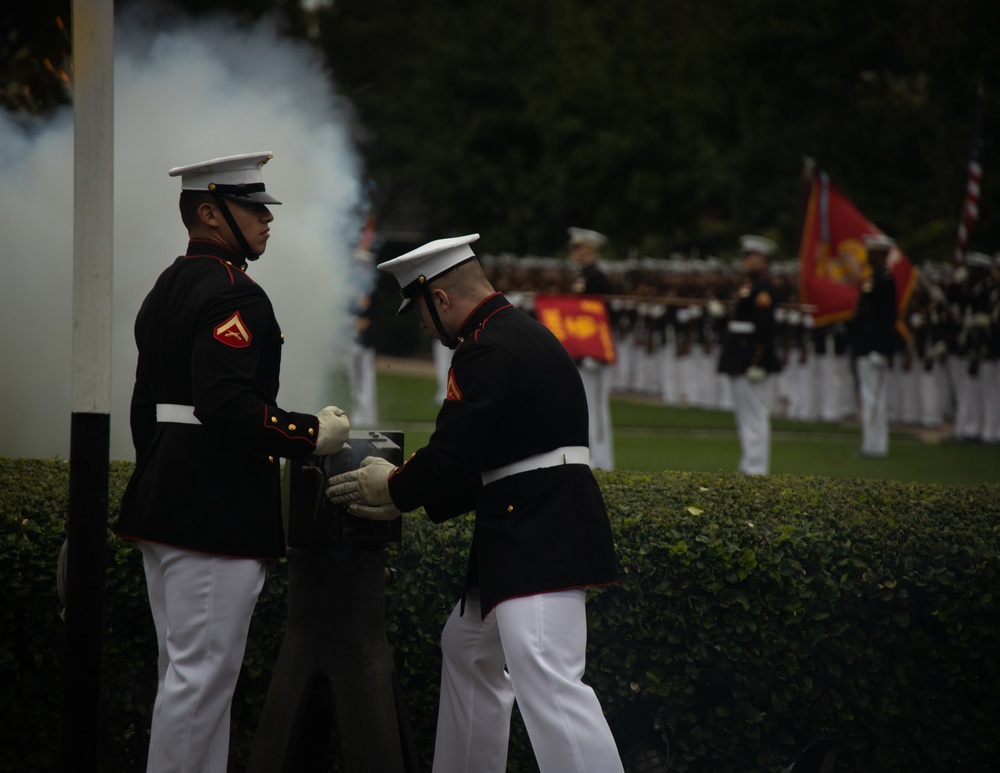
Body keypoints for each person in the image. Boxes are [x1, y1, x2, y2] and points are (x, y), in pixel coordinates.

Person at [326, 233, 624, 773]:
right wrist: (405, 494)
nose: (420, 324)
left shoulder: (483, 347)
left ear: (440, 300)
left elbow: (454, 452)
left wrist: (392, 488)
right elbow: (489, 459)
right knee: (467, 649)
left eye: (419, 309)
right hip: (531, 523)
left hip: (537, 534)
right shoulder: (521, 333)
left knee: (550, 683)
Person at [114, 151, 350, 772]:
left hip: (167, 501)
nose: (267, 220)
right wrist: (309, 434)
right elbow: (225, 405)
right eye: (253, 208)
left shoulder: (167, 284)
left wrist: (157, 473)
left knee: (189, 682)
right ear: (211, 213)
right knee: (199, 689)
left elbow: (146, 408)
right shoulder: (232, 291)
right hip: (211, 513)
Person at [717, 234, 783, 474]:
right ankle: (749, 463)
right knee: (745, 415)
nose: (744, 260)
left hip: (751, 358)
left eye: (750, 256)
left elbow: (765, 330)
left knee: (755, 414)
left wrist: (758, 361)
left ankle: (756, 466)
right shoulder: (747, 286)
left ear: (762, 259)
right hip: (738, 354)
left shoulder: (764, 290)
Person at [567, 226, 615, 469]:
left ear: (590, 249)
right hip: (582, 349)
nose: (573, 251)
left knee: (595, 407)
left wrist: (596, 350)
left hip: (593, 351)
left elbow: (605, 316)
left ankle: (602, 460)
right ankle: (596, 455)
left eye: (578, 247)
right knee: (587, 406)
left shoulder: (597, 278)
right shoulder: (584, 276)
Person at [848, 233, 899, 457]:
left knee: (875, 397)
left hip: (874, 348)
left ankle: (876, 446)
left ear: (881, 254)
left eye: (872, 251)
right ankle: (871, 443)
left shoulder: (885, 279)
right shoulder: (873, 278)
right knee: (868, 397)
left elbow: (887, 318)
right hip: (865, 345)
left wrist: (882, 348)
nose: (867, 255)